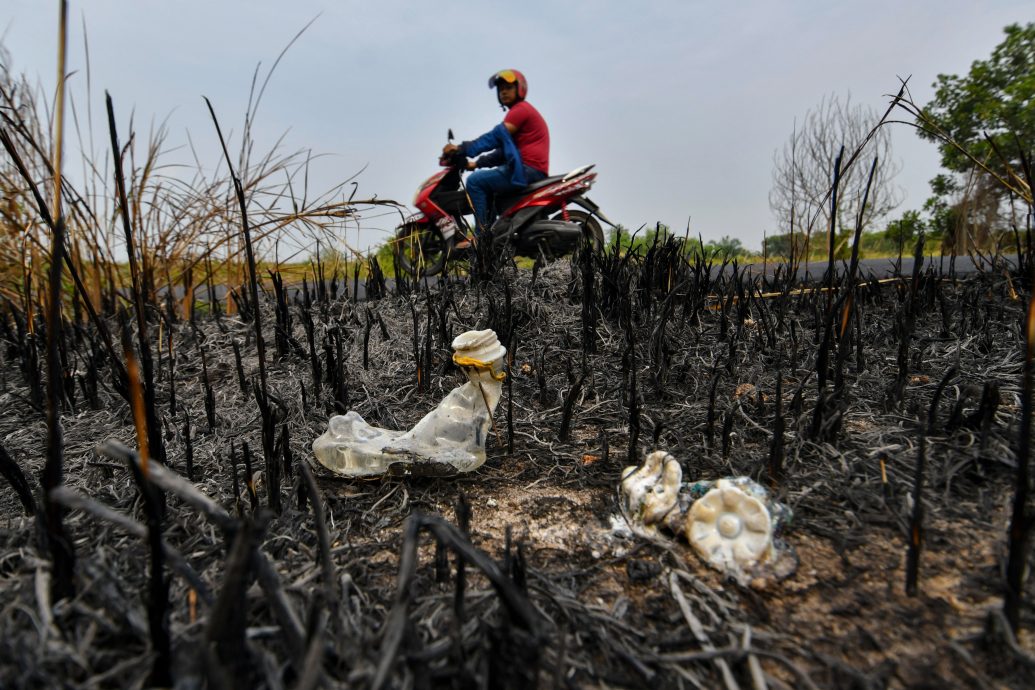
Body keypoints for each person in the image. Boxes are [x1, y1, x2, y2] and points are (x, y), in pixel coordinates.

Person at [442, 69, 550, 248]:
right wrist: (475, 163)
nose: (504, 92)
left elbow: (493, 138)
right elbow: (502, 153)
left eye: (508, 87)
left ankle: (481, 236)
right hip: (526, 168)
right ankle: (493, 236)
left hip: (526, 170)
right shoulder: (520, 113)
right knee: (486, 187)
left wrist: (462, 148)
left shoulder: (520, 111)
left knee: (475, 182)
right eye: (501, 90)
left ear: (520, 89)